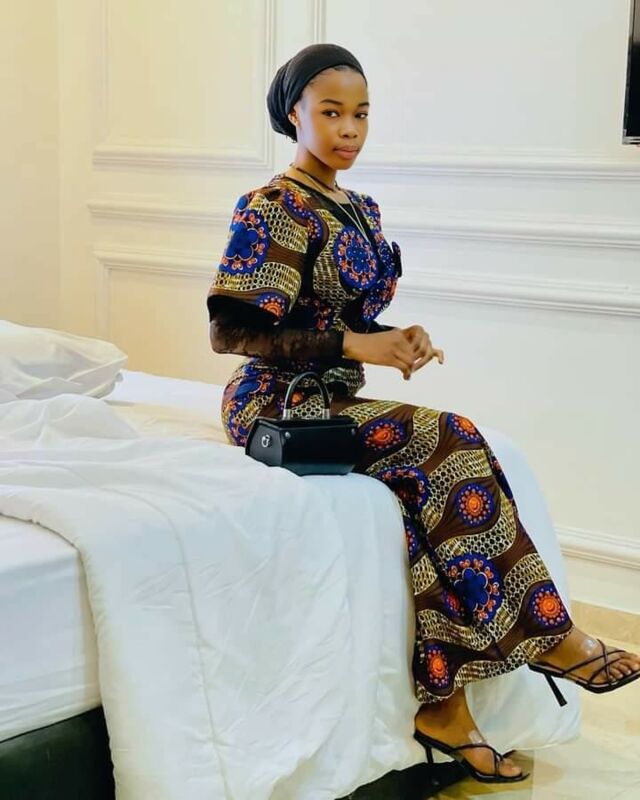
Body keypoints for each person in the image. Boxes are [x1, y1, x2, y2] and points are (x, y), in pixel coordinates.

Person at [206, 43, 640, 783]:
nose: (349, 129)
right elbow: (231, 332)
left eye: (361, 114)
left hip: (336, 395)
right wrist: (357, 344)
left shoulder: (360, 210)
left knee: (418, 500)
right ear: (293, 115)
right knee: (451, 436)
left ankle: (444, 706)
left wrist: (393, 341)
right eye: (331, 112)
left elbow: (348, 320)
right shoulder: (273, 206)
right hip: (277, 402)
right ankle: (551, 636)